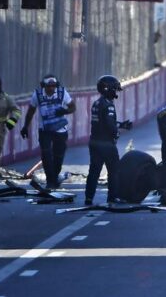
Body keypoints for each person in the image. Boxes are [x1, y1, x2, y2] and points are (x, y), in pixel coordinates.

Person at [20, 74, 76, 189]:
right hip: (44, 130)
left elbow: (73, 107)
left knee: (58, 157)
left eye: (53, 86)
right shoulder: (37, 94)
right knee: (46, 155)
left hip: (60, 130)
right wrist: (25, 126)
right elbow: (31, 111)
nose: (51, 88)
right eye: (48, 86)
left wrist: (64, 111)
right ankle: (50, 181)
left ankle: (54, 177)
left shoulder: (62, 93)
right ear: (43, 86)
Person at [85, 75, 131, 205]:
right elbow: (110, 125)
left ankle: (88, 198)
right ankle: (112, 197)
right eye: (114, 89)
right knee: (114, 171)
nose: (116, 92)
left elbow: (102, 121)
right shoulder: (109, 105)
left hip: (94, 141)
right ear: (108, 89)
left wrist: (121, 124)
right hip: (106, 144)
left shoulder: (96, 103)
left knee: (93, 172)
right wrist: (117, 131)